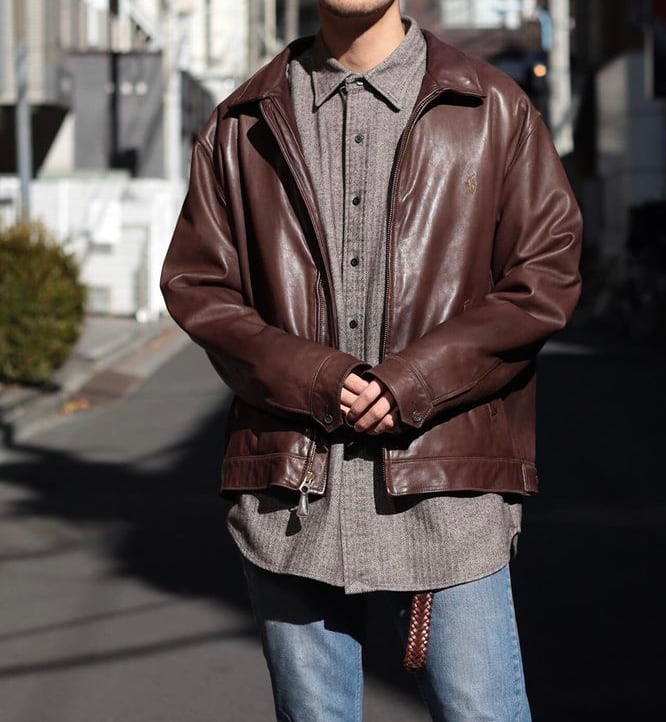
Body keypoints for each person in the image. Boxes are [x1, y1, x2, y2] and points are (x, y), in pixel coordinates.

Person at [161, 1, 582, 719]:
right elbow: (200, 286)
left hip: (448, 482)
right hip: (294, 491)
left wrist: (414, 382)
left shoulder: (491, 108)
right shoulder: (242, 121)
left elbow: (545, 275)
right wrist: (319, 379)